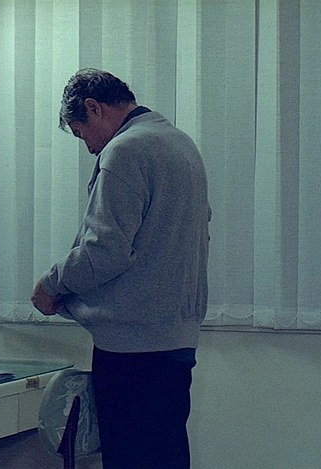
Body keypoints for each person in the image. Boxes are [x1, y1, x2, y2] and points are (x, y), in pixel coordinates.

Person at [31, 68, 210, 469]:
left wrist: (51, 284)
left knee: (130, 458)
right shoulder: (180, 144)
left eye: (82, 134)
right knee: (166, 456)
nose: (90, 148)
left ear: (94, 108)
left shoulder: (125, 151)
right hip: (176, 340)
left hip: (132, 346)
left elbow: (104, 250)